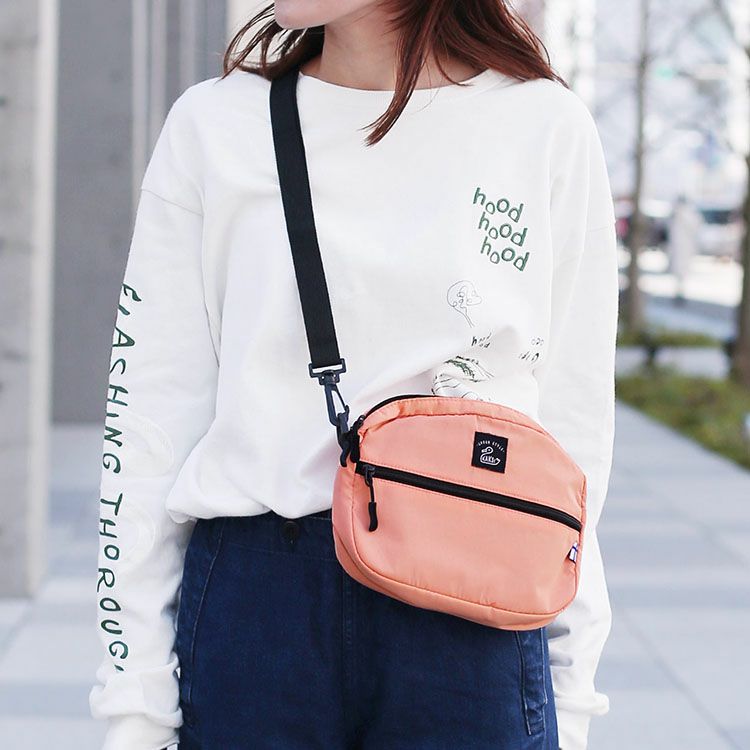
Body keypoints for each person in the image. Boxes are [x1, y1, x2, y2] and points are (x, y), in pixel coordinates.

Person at [88, 1, 619, 748]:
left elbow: (572, 439)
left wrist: (573, 694)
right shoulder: (215, 126)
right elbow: (148, 428)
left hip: (475, 610)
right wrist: (133, 704)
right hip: (258, 613)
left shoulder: (543, 127)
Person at [667, 194, 701, 305]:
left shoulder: (683, 215)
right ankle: (679, 293)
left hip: (683, 248)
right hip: (680, 248)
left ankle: (680, 293)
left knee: (681, 272)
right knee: (679, 272)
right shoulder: (678, 215)